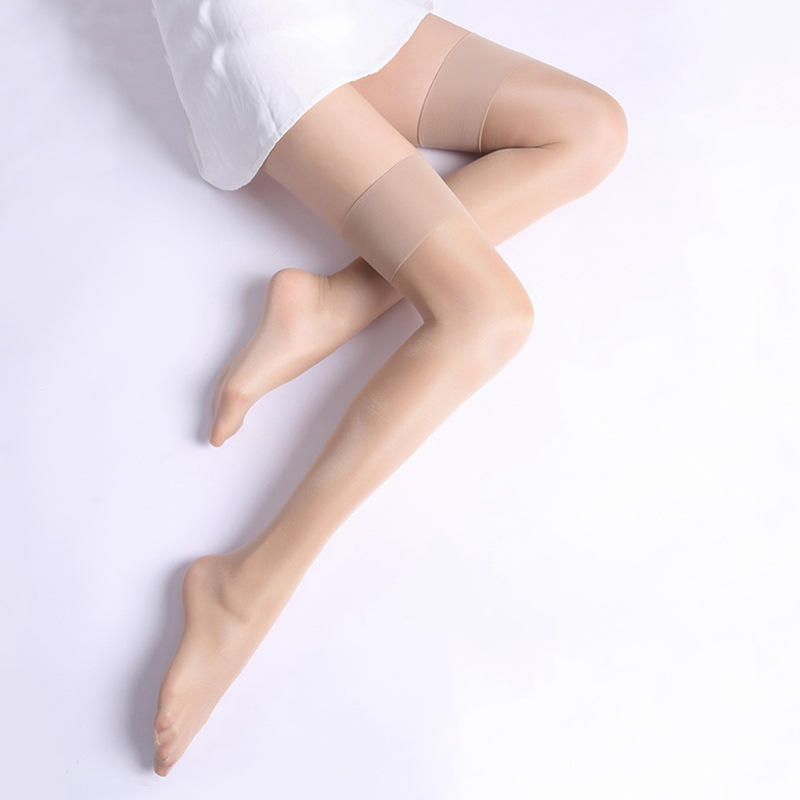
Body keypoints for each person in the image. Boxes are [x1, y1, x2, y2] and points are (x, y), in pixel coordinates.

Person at [149, 5, 628, 777]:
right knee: (487, 316)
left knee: (591, 129)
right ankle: (242, 589)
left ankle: (332, 305)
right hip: (255, 33)